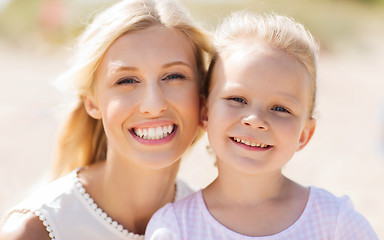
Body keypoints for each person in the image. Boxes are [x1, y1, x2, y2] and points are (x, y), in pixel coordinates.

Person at [145, 11, 378, 239]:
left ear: (304, 135)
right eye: (237, 99)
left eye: (280, 109)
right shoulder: (175, 228)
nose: (255, 120)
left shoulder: (335, 223)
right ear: (206, 113)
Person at [0, 0, 211, 239]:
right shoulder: (34, 231)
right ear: (92, 102)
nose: (153, 105)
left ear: (203, 96)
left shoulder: (211, 225)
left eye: (173, 76)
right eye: (126, 80)